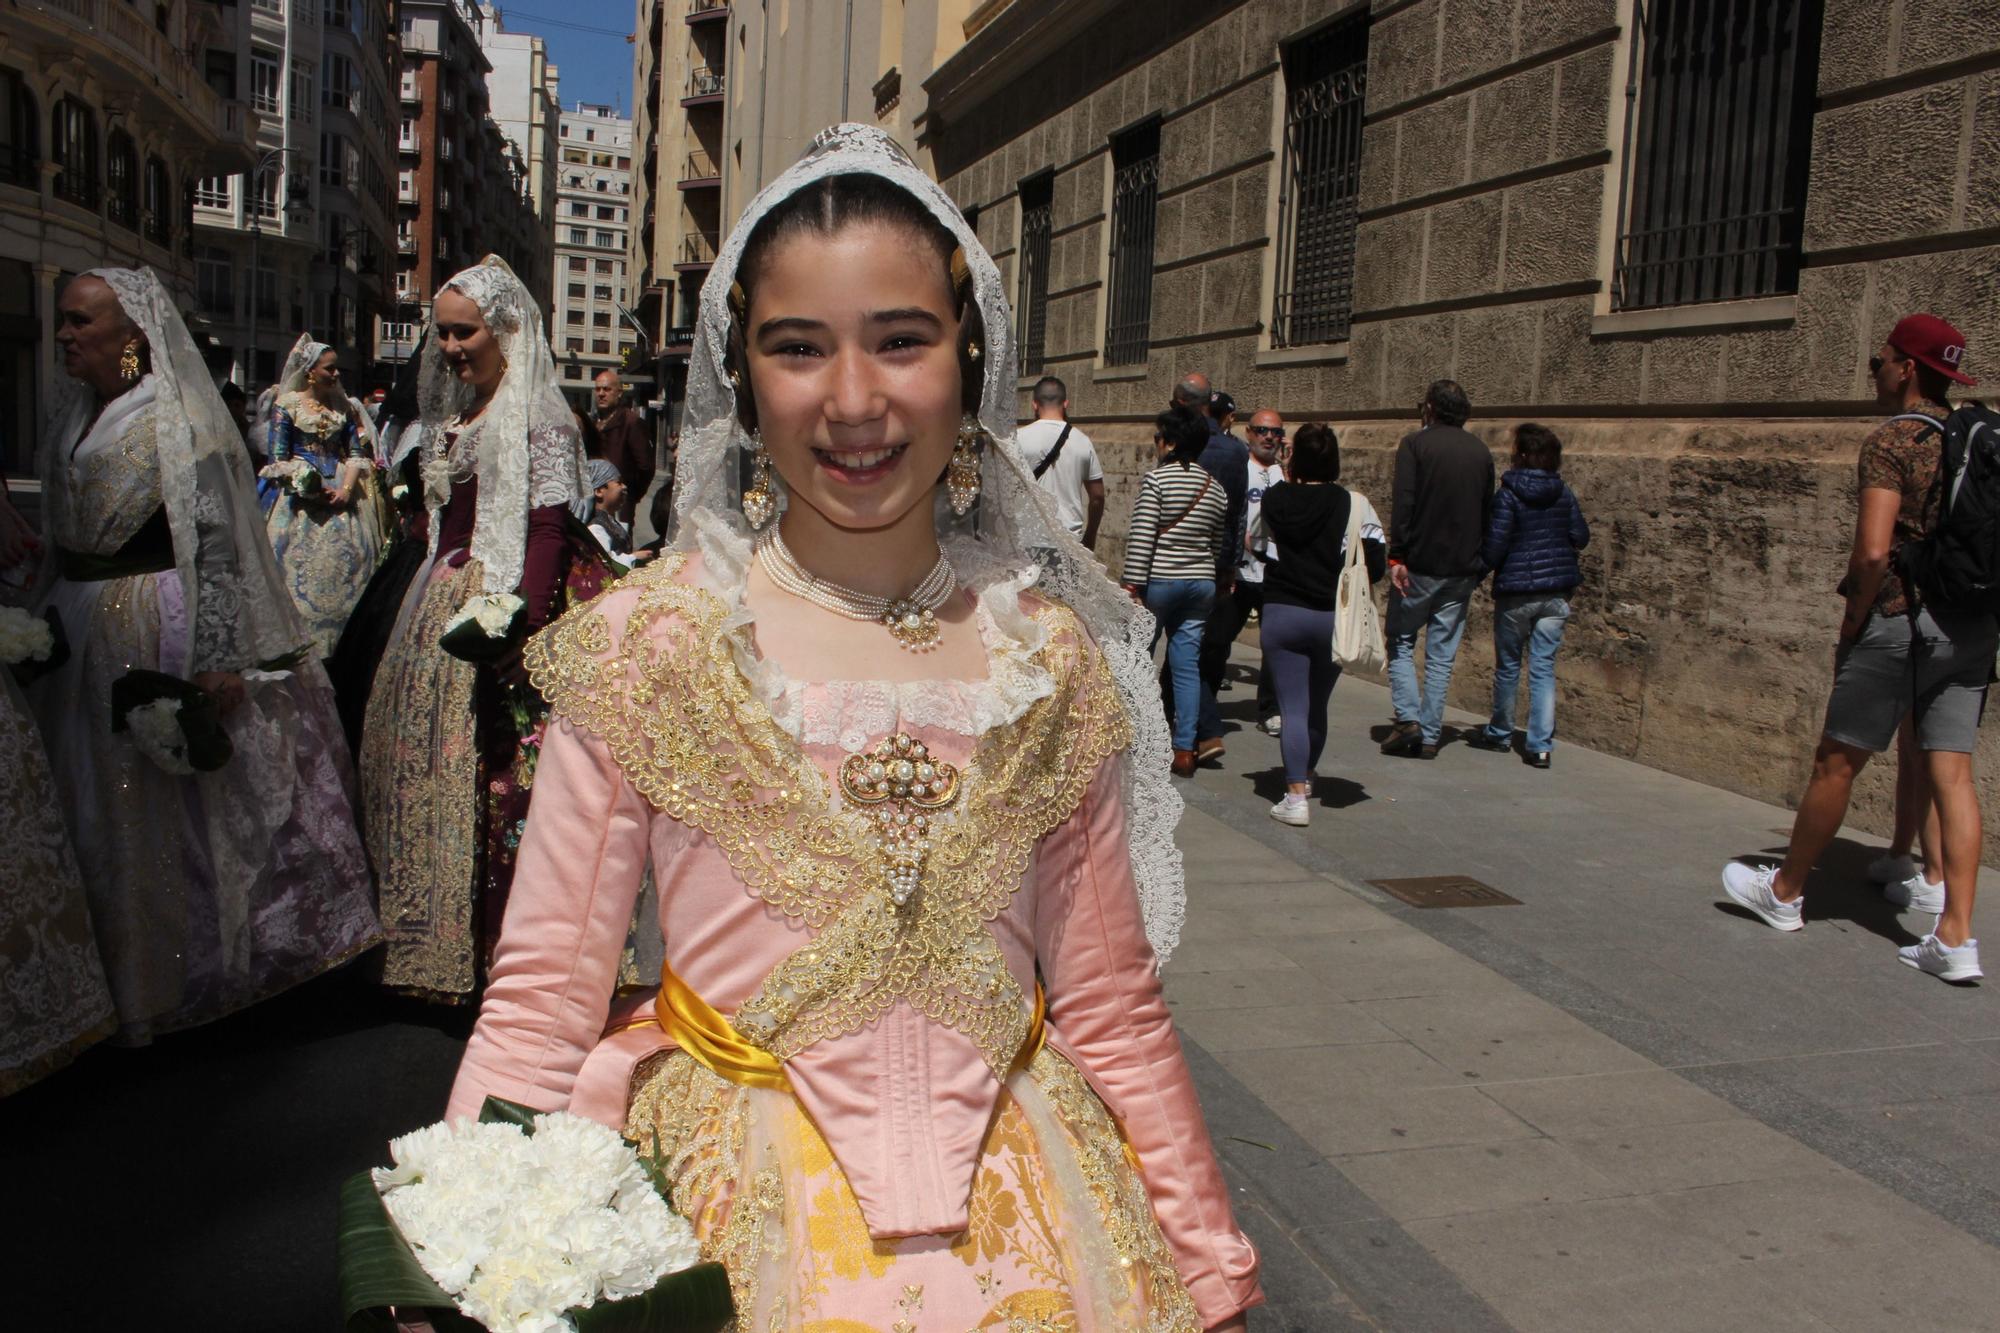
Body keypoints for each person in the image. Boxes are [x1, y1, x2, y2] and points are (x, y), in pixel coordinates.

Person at [445, 125, 1259, 1331]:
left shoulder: (1048, 658)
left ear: (965, 358)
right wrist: (462, 1259)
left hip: (1042, 1225)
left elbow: (1112, 1008)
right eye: (798, 349)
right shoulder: (654, 645)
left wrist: (1206, 1266)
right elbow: (538, 1000)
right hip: (723, 1227)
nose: (854, 400)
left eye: (899, 340)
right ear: (743, 377)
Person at [31, 267, 378, 1043]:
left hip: (153, 621)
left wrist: (220, 654)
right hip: (79, 627)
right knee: (83, 796)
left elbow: (218, 543)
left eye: (81, 322)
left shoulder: (177, 418)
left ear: (132, 337)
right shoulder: (70, 418)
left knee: (155, 806)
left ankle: (165, 976)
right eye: (62, 320)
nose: (65, 336)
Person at [359, 256, 614, 1003]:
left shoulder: (539, 418)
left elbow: (548, 528)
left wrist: (521, 626)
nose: (449, 346)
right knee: (414, 762)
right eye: (440, 333)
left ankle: (490, 958)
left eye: (463, 331)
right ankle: (420, 940)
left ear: (505, 331)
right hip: (434, 598)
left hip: (499, 601)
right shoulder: (454, 419)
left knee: (499, 779)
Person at [1722, 314, 1989, 983]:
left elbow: (1873, 550)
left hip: (1903, 618)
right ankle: (1954, 935)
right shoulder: (1977, 439)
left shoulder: (1895, 439)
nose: (1875, 370)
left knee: (1836, 760)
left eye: (1880, 359)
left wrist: (1853, 625)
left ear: (1907, 368)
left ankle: (1784, 891)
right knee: (1953, 773)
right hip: (1973, 625)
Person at [1256, 424, 1385, 827]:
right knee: (1316, 705)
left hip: (1282, 611)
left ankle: (1294, 796)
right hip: (1333, 615)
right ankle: (1307, 777)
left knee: (1292, 707)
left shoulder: (1276, 498)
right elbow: (1376, 563)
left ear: (1296, 458)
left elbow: (1257, 546)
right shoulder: (1353, 504)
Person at [257, 335, 394, 658]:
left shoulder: (342, 408)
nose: (336, 375)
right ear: (310, 371)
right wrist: (313, 489)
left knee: (350, 566)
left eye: (337, 370)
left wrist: (345, 490)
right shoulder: (287, 406)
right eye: (329, 369)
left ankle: (343, 643)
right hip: (299, 498)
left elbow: (356, 455)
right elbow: (277, 461)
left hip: (342, 496)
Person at [1465, 423, 1590, 769]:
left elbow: (1495, 544)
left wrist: (1475, 576)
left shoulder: (1508, 494)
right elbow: (1580, 536)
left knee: (1508, 665)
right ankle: (1539, 746)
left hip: (1517, 592)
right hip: (1555, 593)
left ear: (1519, 455)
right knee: (1544, 667)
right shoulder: (1563, 493)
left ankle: (1501, 733)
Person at [1381, 379, 1493, 760]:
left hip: (1421, 563)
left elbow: (1404, 503)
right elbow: (1486, 512)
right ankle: (1428, 735)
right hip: (1461, 568)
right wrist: (1480, 564)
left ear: (1430, 407)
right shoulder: (1480, 452)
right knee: (1441, 655)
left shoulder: (1416, 444)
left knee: (1400, 639)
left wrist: (1397, 555)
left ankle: (1409, 719)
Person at [1124, 406, 1231, 778]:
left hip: (1160, 582)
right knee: (1187, 667)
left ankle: (1136, 737)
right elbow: (1216, 544)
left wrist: (1132, 585)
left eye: (1158, 437)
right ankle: (1184, 749)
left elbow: (1142, 538)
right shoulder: (1214, 489)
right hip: (1200, 584)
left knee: (1138, 659)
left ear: (1169, 442)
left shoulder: (1156, 482)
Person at [1192, 388, 1249, 763]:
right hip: (1214, 561)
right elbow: (1236, 514)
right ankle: (1202, 727)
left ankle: (1202, 727)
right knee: (1198, 645)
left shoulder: (1188, 442)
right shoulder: (1235, 452)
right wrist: (1231, 563)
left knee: (1184, 649)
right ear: (1226, 416)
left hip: (1173, 564)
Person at [1224, 407, 1286, 736]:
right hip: (1240, 572)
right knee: (1219, 638)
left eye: (1275, 432)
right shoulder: (1239, 469)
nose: (1269, 437)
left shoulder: (1285, 474)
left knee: (1274, 645)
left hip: (1274, 573)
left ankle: (1269, 709)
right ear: (1248, 433)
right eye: (1262, 430)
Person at [1012, 374, 1105, 548]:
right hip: (1069, 542)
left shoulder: (1018, 438)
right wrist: (1091, 535)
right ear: (1066, 403)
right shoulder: (1083, 441)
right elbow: (1097, 496)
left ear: (1034, 404)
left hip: (1026, 540)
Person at [590, 369, 653, 526]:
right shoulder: (592, 422)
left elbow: (645, 467)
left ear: (619, 393)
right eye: (598, 389)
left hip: (618, 505)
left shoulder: (631, 422)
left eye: (607, 389)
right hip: (592, 501)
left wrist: (628, 495)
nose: (601, 394)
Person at [577, 458, 633, 558]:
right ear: (599, 491)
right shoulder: (596, 527)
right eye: (618, 483)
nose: (624, 486)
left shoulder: (607, 520)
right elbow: (605, 560)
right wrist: (634, 558)